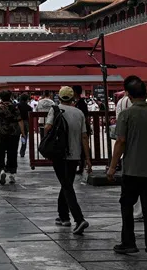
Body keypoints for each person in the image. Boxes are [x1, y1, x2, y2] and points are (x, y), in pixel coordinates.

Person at [107, 76, 147, 263]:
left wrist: (112, 167)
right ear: (145, 95)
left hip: (132, 169)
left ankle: (129, 241)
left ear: (129, 95)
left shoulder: (126, 115)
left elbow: (121, 141)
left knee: (126, 204)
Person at [45, 86, 92, 235]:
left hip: (59, 154)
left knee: (66, 186)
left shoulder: (56, 109)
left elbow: (47, 127)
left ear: (59, 97)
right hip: (75, 155)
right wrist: (88, 159)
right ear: (73, 98)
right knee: (66, 184)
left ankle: (79, 219)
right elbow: (84, 136)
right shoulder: (79, 113)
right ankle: (63, 216)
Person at [0, 90, 24, 185]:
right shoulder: (15, 107)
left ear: (1, 98)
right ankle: (12, 174)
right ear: (10, 97)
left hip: (1, 133)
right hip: (14, 134)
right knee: (12, 153)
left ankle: (2, 170)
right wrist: (23, 132)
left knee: (0, 152)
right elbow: (20, 120)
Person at [17, 93, 32, 158]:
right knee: (24, 137)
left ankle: (15, 150)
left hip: (17, 123)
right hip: (25, 123)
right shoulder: (29, 107)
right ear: (27, 100)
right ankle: (22, 152)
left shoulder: (16, 106)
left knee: (16, 137)